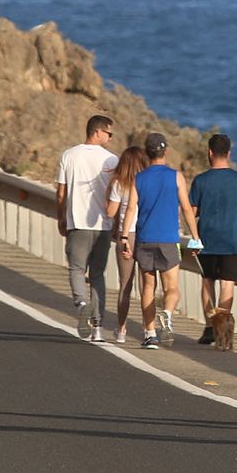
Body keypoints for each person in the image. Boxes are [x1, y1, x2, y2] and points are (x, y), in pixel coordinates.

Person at [123, 133, 202, 350]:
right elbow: (186, 208)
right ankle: (166, 314)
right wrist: (195, 237)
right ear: (165, 151)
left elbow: (131, 208)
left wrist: (123, 236)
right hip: (168, 239)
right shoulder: (176, 177)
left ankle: (150, 335)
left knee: (148, 287)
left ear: (147, 154)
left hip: (145, 238)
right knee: (172, 288)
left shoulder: (138, 178)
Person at [188, 133, 237, 347]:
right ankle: (223, 330)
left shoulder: (201, 180)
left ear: (209, 153)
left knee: (207, 281)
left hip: (207, 239)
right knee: (227, 283)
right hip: (233, 240)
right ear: (228, 153)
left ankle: (210, 327)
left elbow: (192, 211)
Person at [56, 114, 119, 341]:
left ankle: (82, 305)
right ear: (97, 132)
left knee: (76, 269)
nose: (110, 137)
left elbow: (61, 192)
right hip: (103, 225)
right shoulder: (112, 161)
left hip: (77, 222)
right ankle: (98, 327)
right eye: (109, 133)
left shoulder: (69, 155)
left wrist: (61, 217)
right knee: (98, 274)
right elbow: (117, 196)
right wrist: (117, 224)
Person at [104, 145, 149, 345]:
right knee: (146, 284)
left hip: (126, 235)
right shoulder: (148, 183)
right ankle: (149, 328)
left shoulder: (119, 184)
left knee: (125, 285)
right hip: (146, 233)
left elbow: (110, 212)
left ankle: (121, 328)